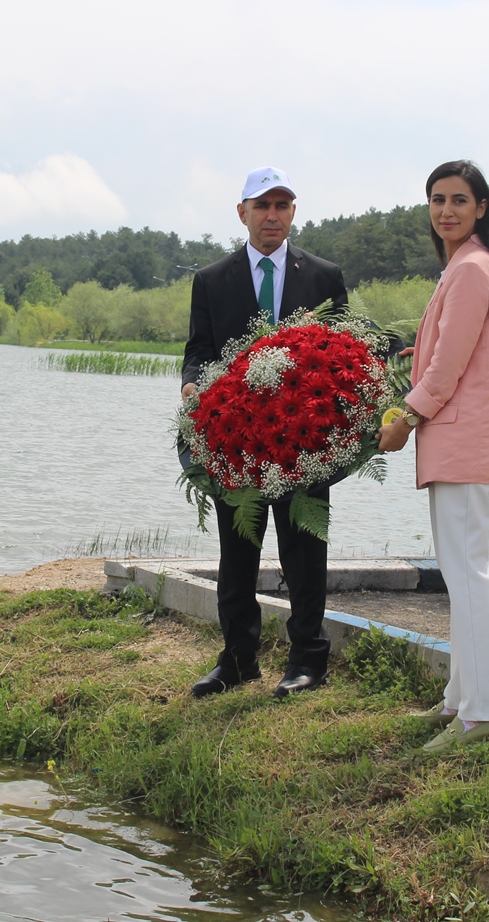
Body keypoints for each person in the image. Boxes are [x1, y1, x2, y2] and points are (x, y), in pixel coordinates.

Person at [181, 166, 349, 699]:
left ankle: (308, 661)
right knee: (238, 553)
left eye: (282, 205)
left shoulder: (323, 275)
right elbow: (198, 353)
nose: (272, 215)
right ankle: (237, 659)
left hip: (306, 443)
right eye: (262, 206)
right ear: (242, 213)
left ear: (293, 213)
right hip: (235, 442)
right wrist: (192, 387)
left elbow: (347, 353)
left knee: (304, 553)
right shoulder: (211, 280)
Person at [378, 159, 489, 753]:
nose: (446, 211)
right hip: (460, 438)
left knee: (468, 576)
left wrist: (406, 417)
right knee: (461, 574)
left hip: (460, 439)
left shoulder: (472, 268)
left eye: (459, 200)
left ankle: (484, 711)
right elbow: (453, 349)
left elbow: (450, 367)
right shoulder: (469, 265)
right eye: (437, 200)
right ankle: (461, 699)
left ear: (481, 207)